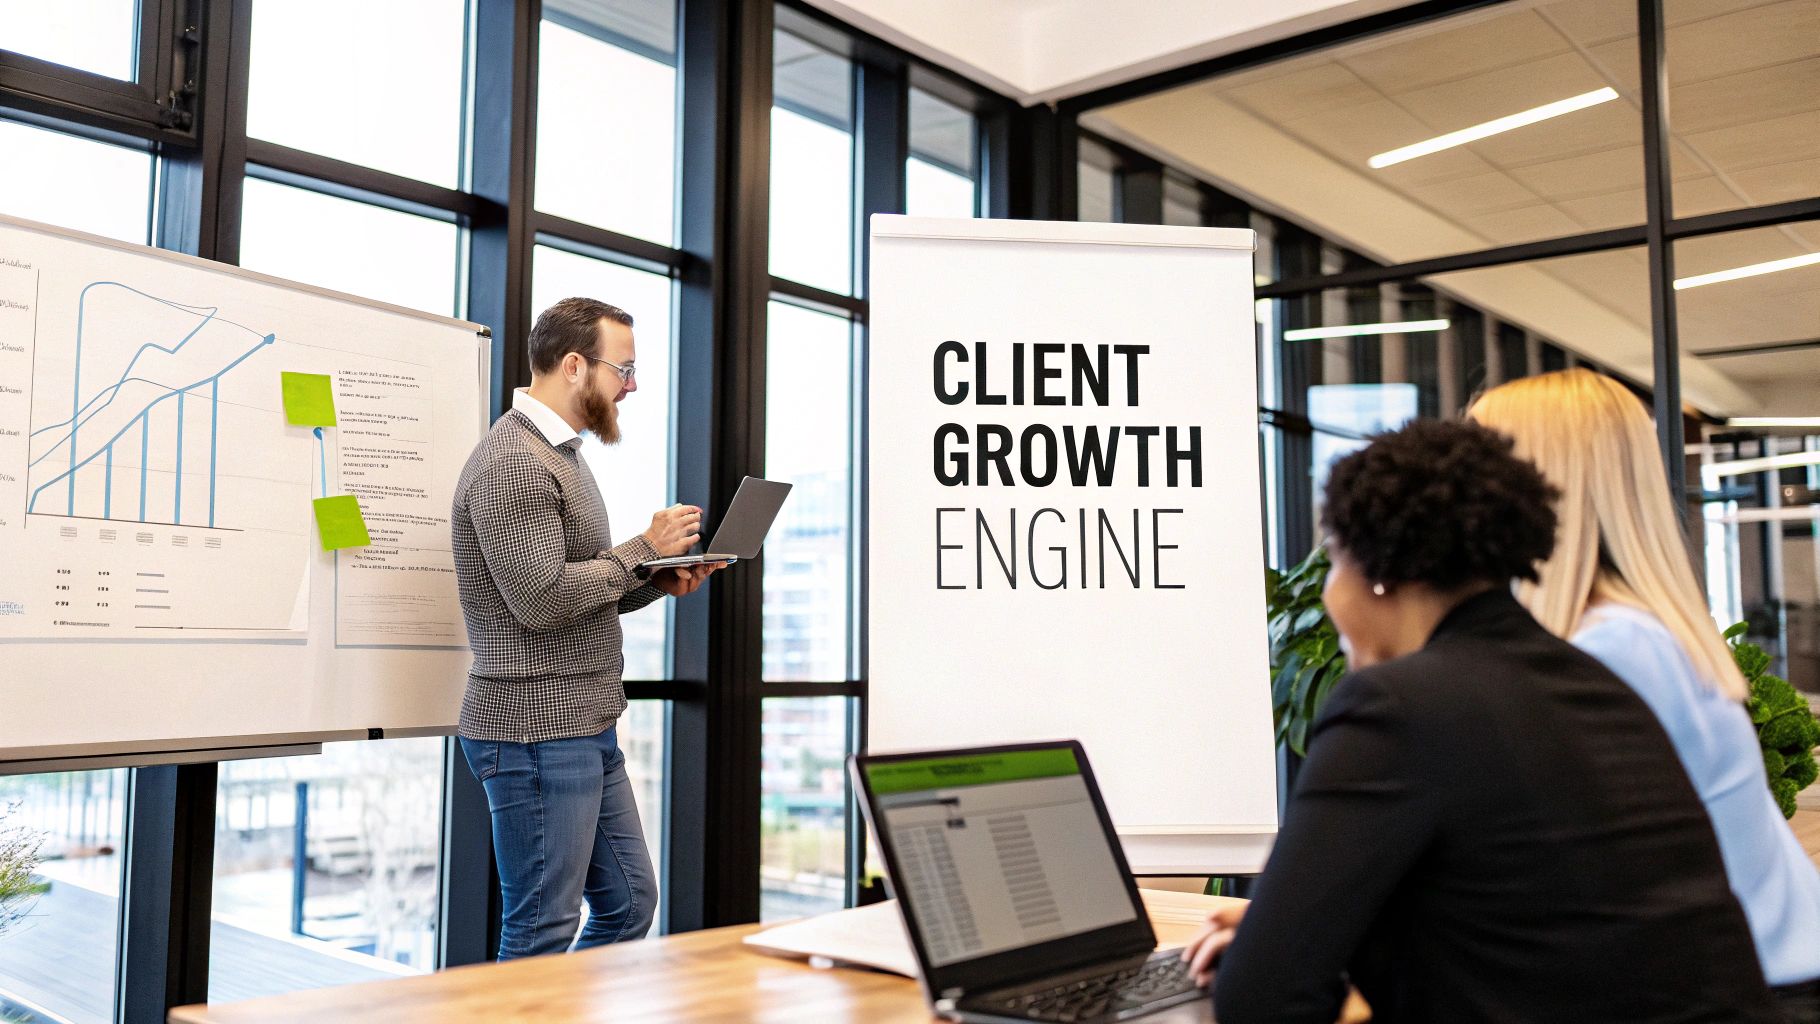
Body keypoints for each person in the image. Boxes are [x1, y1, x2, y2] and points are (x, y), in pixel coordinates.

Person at [1183, 419, 1778, 1023]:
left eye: (1334, 561)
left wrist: (1278, 955)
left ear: (1379, 571)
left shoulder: (1395, 708)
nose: (1331, 592)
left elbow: (1261, 998)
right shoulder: (1593, 684)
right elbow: (1532, 916)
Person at [1470, 367, 1820, 1021]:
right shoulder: (1633, 631)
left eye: (1472, 470)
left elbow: (1549, 869)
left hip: (1747, 993)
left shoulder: (1613, 649)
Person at [450, 296, 720, 959]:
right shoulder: (514, 461)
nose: (633, 386)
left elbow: (580, 589)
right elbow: (540, 599)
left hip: (585, 723)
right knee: (542, 927)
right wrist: (641, 550)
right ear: (575, 365)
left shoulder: (562, 456)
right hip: (534, 730)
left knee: (630, 904)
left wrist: (654, 580)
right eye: (622, 370)